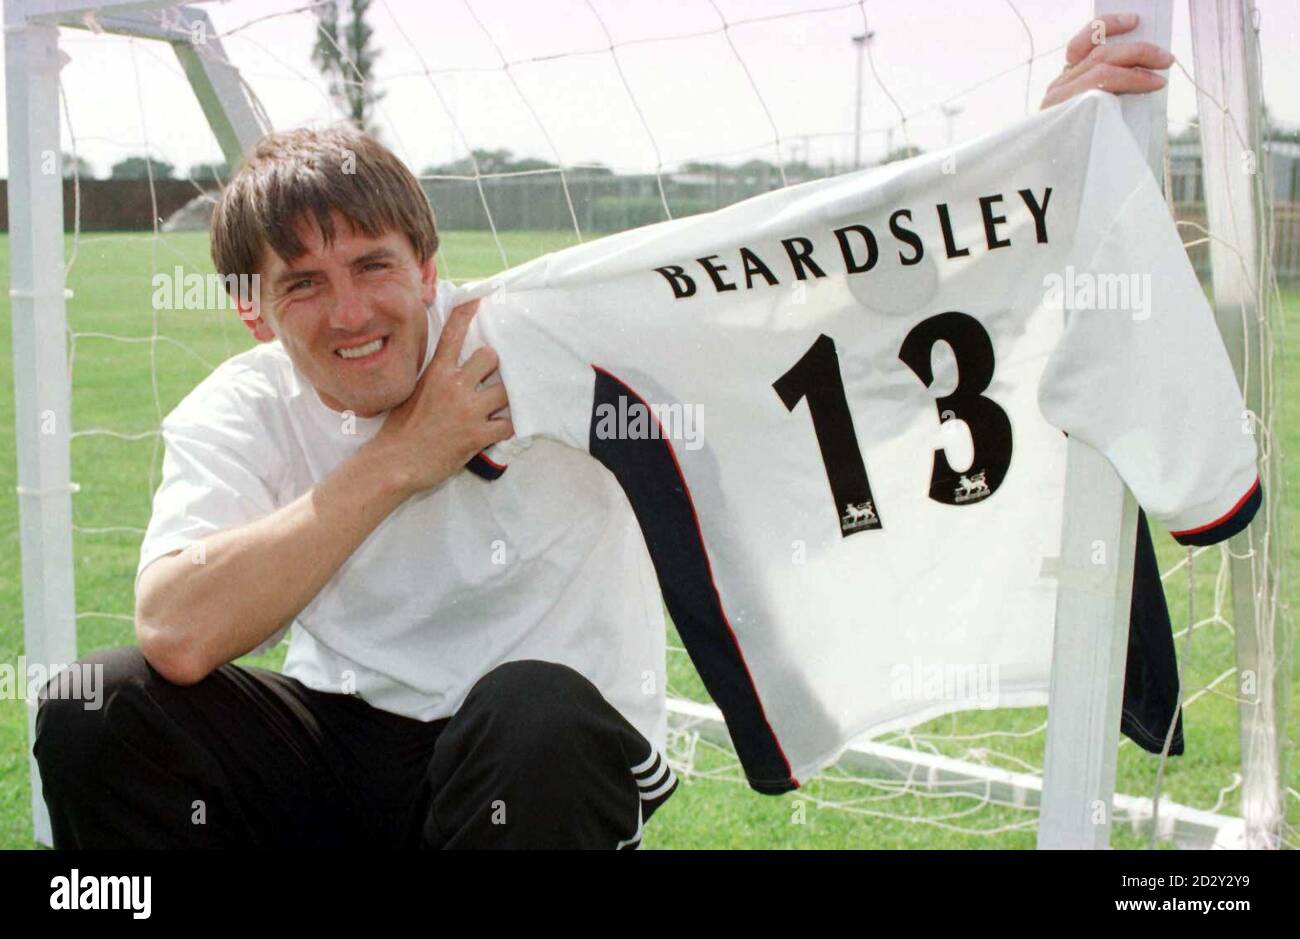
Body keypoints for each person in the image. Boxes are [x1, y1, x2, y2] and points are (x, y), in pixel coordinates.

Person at [32, 13, 1172, 850]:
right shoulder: (244, 406)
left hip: (545, 752)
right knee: (100, 707)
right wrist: (404, 454)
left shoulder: (549, 339)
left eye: (373, 266)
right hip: (349, 740)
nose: (349, 312)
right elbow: (177, 633)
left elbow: (819, 299)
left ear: (425, 269)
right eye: (304, 283)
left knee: (533, 709)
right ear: (252, 307)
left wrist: (1024, 163)